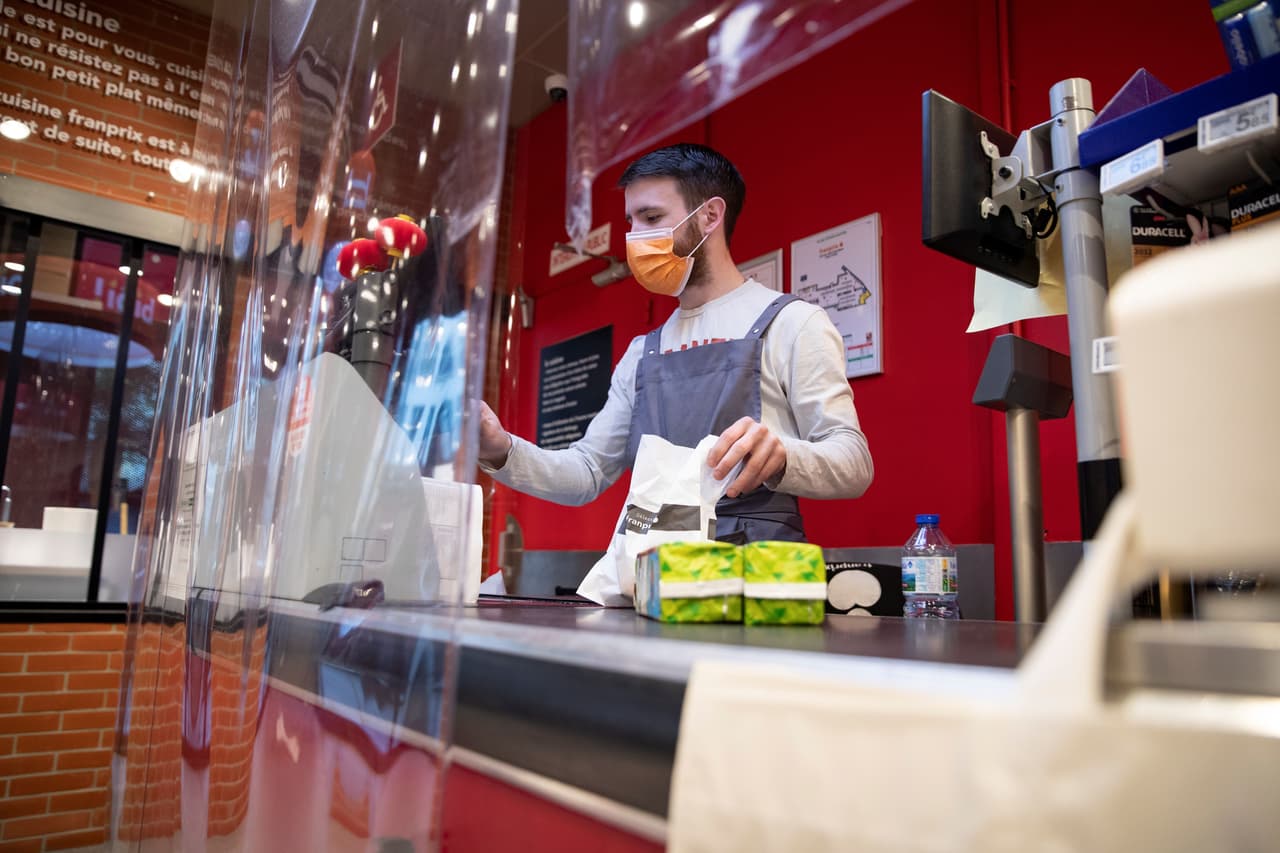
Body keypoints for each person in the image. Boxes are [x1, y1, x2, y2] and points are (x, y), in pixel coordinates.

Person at [478, 143, 872, 544]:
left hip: (754, 579)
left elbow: (853, 463)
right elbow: (587, 471)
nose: (634, 237)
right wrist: (498, 448)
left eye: (651, 217)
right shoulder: (640, 354)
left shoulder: (793, 323)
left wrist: (785, 456)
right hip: (650, 569)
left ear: (710, 216)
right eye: (631, 221)